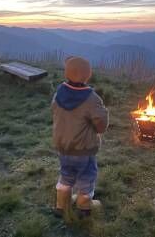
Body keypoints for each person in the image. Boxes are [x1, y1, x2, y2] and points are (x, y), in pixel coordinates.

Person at [51, 56, 109, 217]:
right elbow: (101, 124)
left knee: (66, 174)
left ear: (66, 73)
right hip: (83, 149)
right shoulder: (91, 99)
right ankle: (84, 206)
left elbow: (55, 112)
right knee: (87, 177)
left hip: (63, 147)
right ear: (88, 75)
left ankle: (61, 205)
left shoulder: (59, 94)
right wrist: (102, 117)